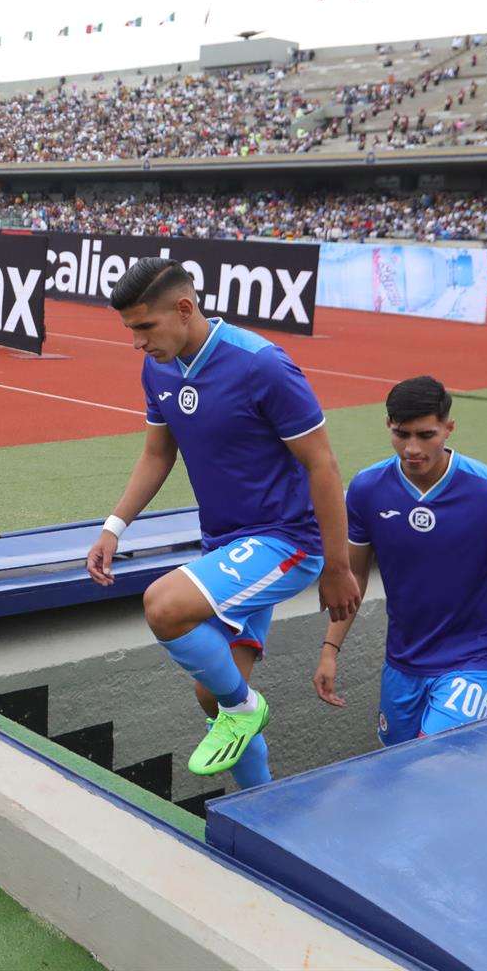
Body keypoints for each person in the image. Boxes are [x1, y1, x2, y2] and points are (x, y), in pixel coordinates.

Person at [85, 257, 359, 786]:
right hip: (225, 543)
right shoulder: (157, 366)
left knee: (164, 607)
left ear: (184, 308)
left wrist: (338, 564)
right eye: (130, 330)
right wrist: (113, 527)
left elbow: (322, 463)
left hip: (288, 541)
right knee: (212, 692)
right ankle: (262, 807)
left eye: (144, 326)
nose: (137, 342)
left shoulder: (262, 365)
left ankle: (243, 708)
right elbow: (157, 453)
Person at [314, 377, 487, 744]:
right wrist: (329, 650)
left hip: (475, 659)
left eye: (426, 435)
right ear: (388, 426)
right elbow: (351, 576)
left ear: (449, 428)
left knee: (432, 760)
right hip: (403, 662)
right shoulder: (367, 489)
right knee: (397, 767)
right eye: (401, 434)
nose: (412, 448)